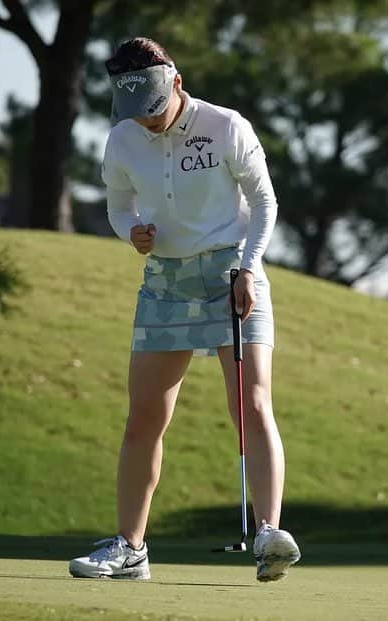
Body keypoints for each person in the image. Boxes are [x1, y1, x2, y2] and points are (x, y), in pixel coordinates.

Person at [69, 38, 301, 583]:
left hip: (232, 273)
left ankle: (268, 532)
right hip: (165, 281)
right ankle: (130, 549)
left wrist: (247, 267)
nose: (146, 123)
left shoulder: (226, 126)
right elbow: (117, 204)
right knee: (145, 417)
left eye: (153, 110)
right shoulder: (123, 138)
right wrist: (133, 232)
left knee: (252, 404)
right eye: (136, 114)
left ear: (175, 83)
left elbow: (264, 201)